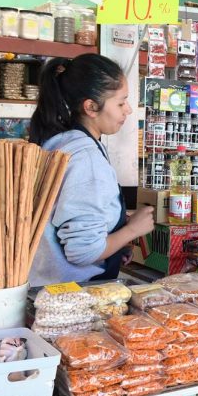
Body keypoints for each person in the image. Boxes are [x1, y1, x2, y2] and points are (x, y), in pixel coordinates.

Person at [28, 54, 154, 286]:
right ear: (91, 107)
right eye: (121, 103)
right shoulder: (86, 158)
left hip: (43, 282)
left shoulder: (61, 141)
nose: (127, 110)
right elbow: (83, 252)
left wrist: (115, 241)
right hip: (72, 292)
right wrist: (133, 230)